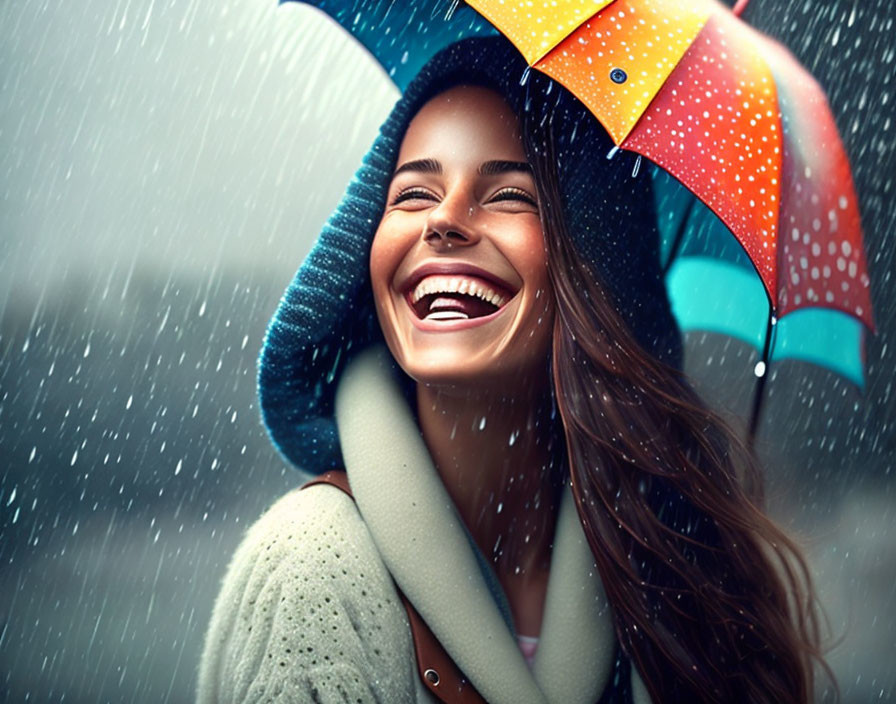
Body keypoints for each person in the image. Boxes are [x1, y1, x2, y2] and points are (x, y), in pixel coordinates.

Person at [197, 37, 831, 704]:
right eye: (413, 193)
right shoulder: (313, 574)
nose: (444, 221)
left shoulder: (680, 581)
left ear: (596, 279)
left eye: (506, 194)